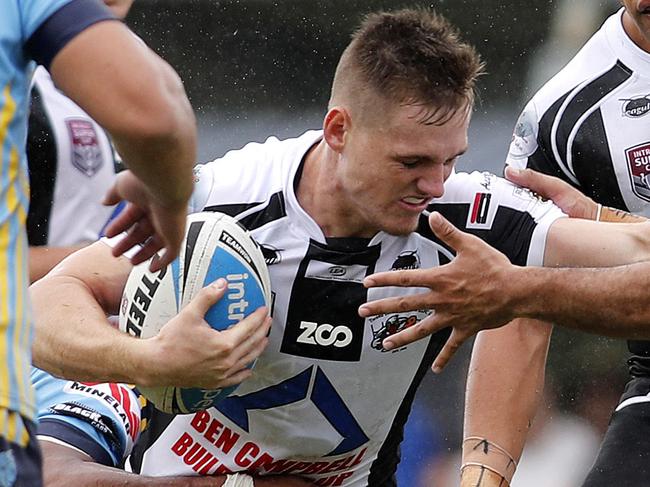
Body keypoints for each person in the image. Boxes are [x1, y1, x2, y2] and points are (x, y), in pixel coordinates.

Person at [28, 7, 650, 487]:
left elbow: (633, 251)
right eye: (411, 162)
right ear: (338, 129)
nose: (433, 185)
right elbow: (45, 308)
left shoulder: (467, 214)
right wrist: (153, 364)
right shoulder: (219, 206)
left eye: (450, 160)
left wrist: (595, 220)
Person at [359, 2, 650, 485]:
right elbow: (516, 298)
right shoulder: (564, 117)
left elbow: (518, 288)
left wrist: (604, 220)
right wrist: (483, 475)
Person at [2, 0, 195, 483]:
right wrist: (111, 257)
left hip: (77, 344)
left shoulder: (115, 67)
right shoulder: (24, 51)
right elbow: (157, 120)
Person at [26, 0, 134, 283]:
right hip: (26, 321)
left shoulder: (140, 73)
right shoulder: (16, 82)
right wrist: (113, 257)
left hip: (99, 320)